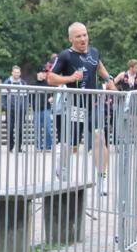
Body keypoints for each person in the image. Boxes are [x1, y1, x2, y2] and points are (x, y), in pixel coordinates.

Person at [48, 22, 116, 189]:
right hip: (75, 106)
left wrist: (109, 81)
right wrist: (70, 78)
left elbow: (99, 66)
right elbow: (50, 78)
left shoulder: (94, 51)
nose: (83, 39)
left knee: (100, 140)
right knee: (73, 145)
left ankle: (102, 178)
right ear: (71, 38)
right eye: (78, 36)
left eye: (85, 35)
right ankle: (61, 166)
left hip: (93, 104)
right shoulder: (65, 56)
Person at [2, 66, 29, 153]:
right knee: (10, 128)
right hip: (10, 109)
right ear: (12, 73)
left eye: (18, 72)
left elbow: (26, 97)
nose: (17, 74)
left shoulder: (23, 83)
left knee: (20, 128)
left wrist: (25, 107)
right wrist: (6, 106)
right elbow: (3, 96)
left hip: (21, 109)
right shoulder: (7, 82)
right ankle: (10, 147)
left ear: (20, 73)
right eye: (15, 72)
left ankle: (19, 147)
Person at [32, 56, 56, 151]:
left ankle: (48, 146)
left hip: (46, 108)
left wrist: (53, 98)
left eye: (43, 73)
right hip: (36, 109)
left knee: (47, 128)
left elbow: (55, 92)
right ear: (37, 74)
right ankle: (38, 146)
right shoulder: (33, 84)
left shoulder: (48, 83)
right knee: (37, 129)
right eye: (40, 73)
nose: (42, 74)